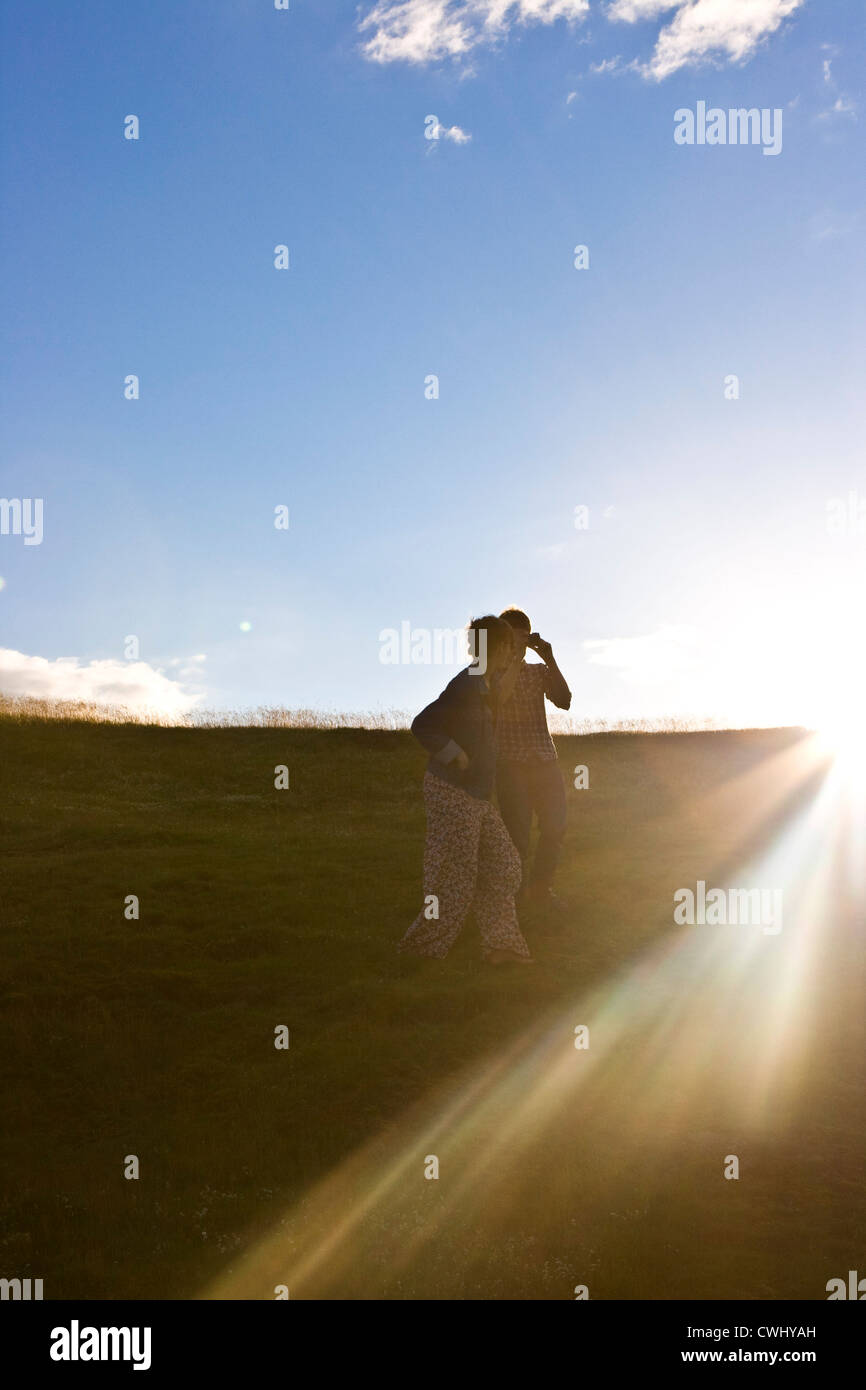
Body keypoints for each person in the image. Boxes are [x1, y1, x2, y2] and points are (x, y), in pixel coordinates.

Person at [397, 615, 534, 964]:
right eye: (506, 646)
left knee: (504, 866)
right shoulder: (466, 683)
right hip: (451, 790)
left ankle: (501, 945)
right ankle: (420, 950)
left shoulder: (486, 685)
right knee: (453, 879)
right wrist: (453, 753)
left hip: (477, 795)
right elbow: (423, 724)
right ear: (493, 647)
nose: (510, 653)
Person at [495, 608, 572, 908]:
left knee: (555, 826)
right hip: (510, 764)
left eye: (523, 636)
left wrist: (549, 658)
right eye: (512, 637)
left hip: (544, 760)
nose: (518, 643)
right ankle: (514, 897)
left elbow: (564, 701)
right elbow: (498, 698)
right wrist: (514, 659)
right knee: (517, 836)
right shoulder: (490, 673)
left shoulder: (538, 672)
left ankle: (541, 891)